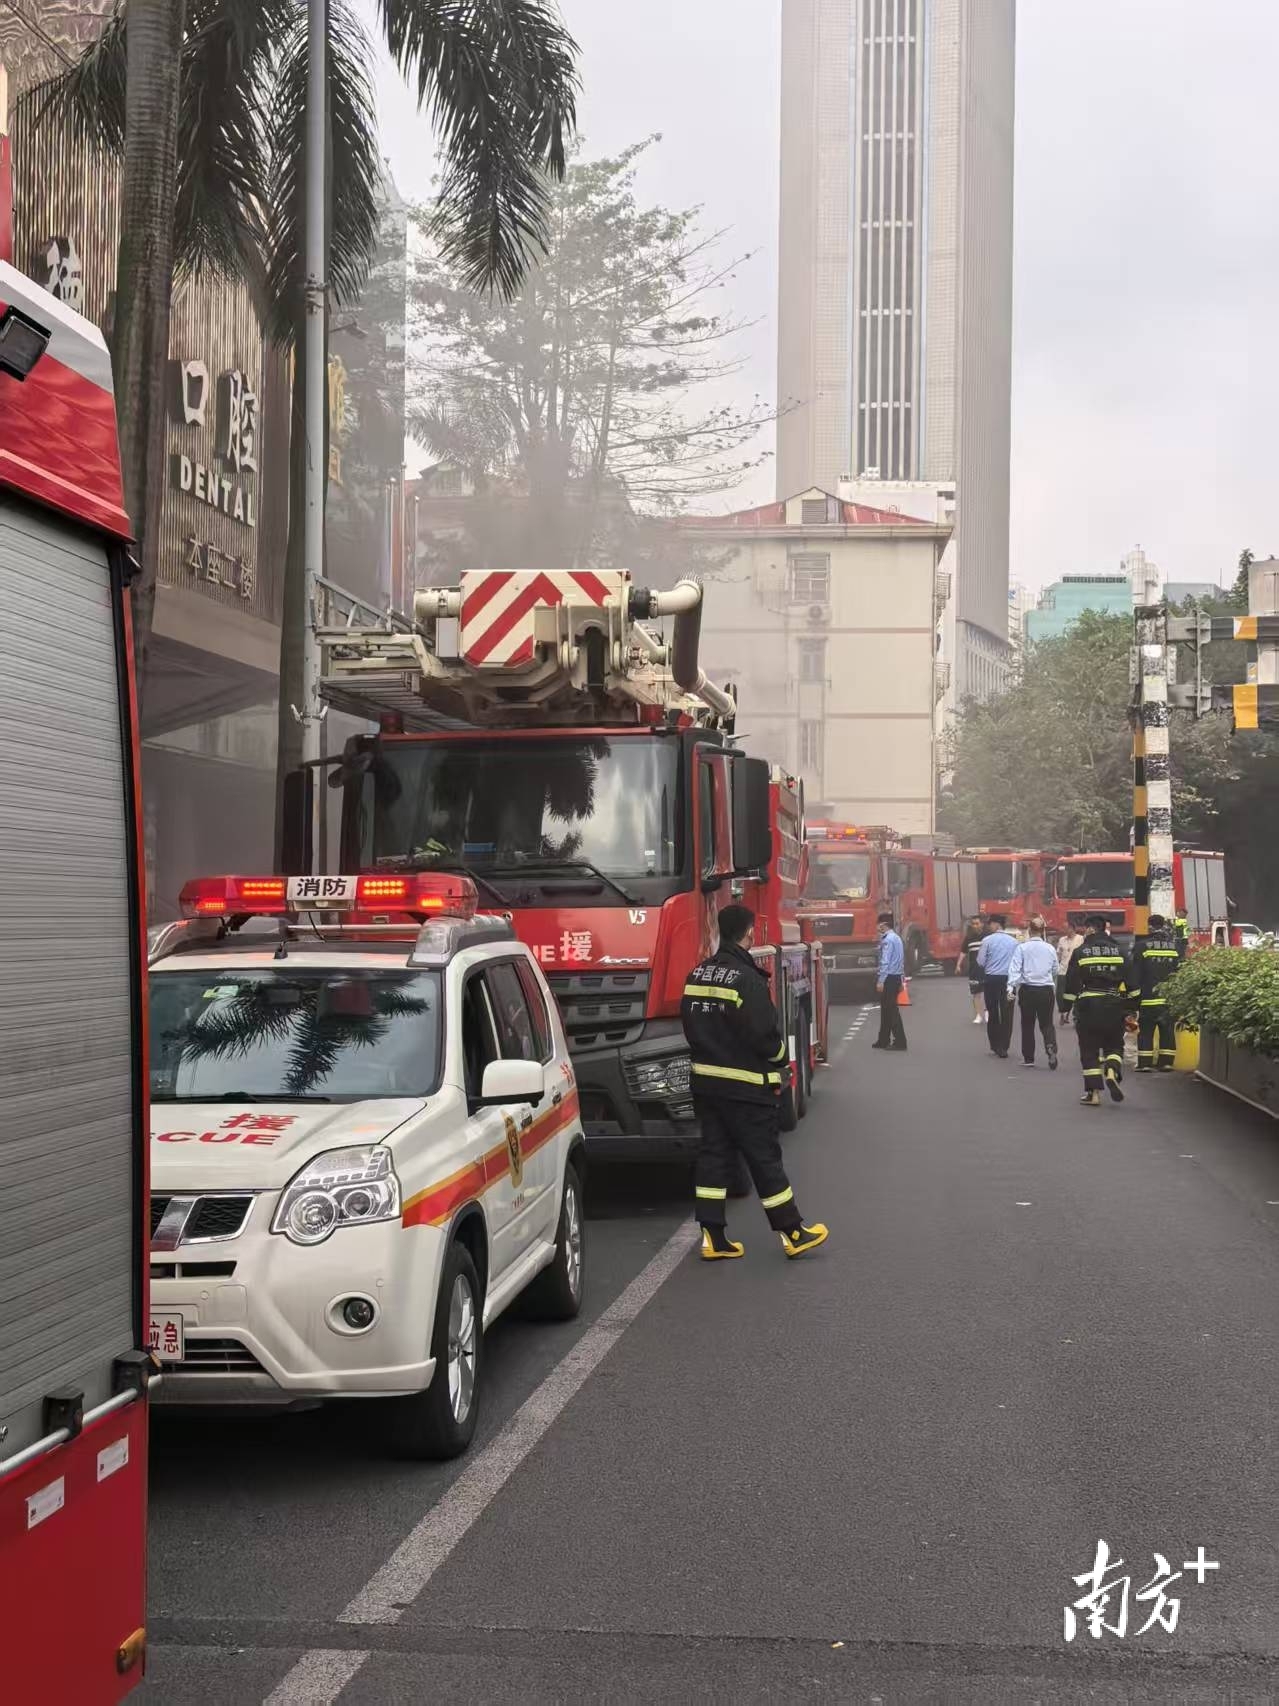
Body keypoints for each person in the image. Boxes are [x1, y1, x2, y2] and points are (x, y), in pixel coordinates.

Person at [681, 904, 829, 1260]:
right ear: (748, 933)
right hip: (746, 1089)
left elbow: (689, 1025)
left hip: (707, 1086)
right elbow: (764, 1034)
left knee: (714, 1157)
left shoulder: (698, 974)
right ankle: (793, 1232)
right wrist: (781, 1061)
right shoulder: (747, 979)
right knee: (764, 1158)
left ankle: (713, 1237)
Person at [1061, 915, 1132, 1106]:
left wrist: (1065, 1008)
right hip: (1114, 1003)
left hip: (1088, 1005)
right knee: (1115, 1045)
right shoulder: (1120, 950)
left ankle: (1093, 1094)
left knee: (1089, 1049)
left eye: (1086, 929)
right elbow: (1132, 983)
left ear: (1091, 929)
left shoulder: (1081, 951)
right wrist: (1132, 1008)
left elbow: (1072, 983)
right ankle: (1111, 1069)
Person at [1008, 918, 1059, 1069]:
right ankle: (1051, 1047)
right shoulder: (1050, 948)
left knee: (1027, 1024)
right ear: (1043, 930)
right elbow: (1055, 968)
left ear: (1029, 931)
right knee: (1047, 1023)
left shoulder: (1022, 948)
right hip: (1046, 990)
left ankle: (1029, 1058)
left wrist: (1010, 988)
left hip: (1028, 989)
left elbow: (1015, 969)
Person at [1131, 914, 1180, 1071]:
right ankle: (1166, 1063)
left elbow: (1135, 974)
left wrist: (1133, 999)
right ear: (1163, 925)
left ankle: (1145, 1064)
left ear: (1149, 926)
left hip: (1148, 999)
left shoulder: (1141, 946)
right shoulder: (1174, 947)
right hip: (1168, 999)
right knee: (1167, 1031)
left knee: (1146, 1031)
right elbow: (1179, 972)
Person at [976, 913, 1019, 1058]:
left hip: (991, 980)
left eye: (991, 924)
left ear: (997, 924)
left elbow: (980, 961)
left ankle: (995, 1045)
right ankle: (1004, 1046)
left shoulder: (987, 940)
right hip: (1009, 982)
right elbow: (1017, 962)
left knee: (993, 1012)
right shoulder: (1014, 942)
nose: (989, 926)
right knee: (1008, 1013)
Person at [872, 912, 908, 1051]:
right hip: (896, 976)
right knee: (886, 1010)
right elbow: (900, 960)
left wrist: (881, 980)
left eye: (878, 924)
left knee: (891, 1010)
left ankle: (900, 1041)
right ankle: (883, 1039)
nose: (877, 927)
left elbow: (885, 961)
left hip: (888, 977)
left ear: (883, 925)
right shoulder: (897, 938)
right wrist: (902, 979)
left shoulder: (887, 940)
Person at [956, 915, 987, 1025]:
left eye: (977, 923)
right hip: (974, 969)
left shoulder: (987, 937)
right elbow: (963, 952)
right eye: (973, 924)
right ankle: (979, 1014)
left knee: (987, 992)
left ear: (982, 924)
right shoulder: (968, 938)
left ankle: (987, 1013)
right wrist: (958, 965)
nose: (975, 926)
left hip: (987, 970)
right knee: (976, 993)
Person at [1055, 927, 1084, 1023]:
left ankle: (1074, 1015)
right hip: (1063, 971)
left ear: (1073, 929)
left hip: (1076, 972)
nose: (1065, 930)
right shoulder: (1062, 940)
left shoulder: (1081, 939)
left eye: (1067, 928)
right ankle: (1062, 1013)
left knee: (1075, 994)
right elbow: (1058, 955)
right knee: (1060, 994)